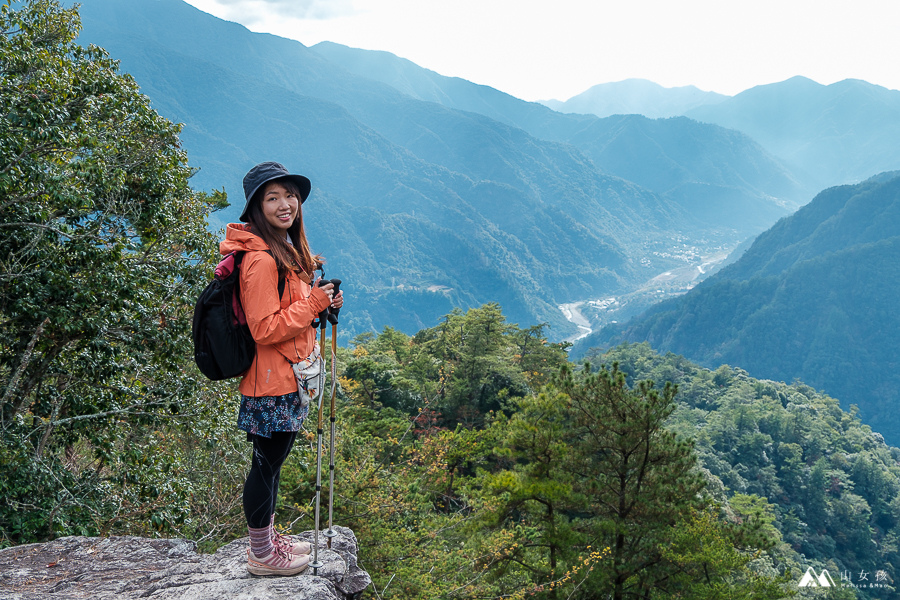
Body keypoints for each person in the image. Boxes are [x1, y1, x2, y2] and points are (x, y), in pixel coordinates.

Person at [220, 162, 343, 576]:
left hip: (287, 377)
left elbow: (290, 310)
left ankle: (267, 541)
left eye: (289, 194)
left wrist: (320, 302)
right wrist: (313, 304)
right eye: (272, 197)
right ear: (256, 207)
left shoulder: (284, 251)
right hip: (269, 382)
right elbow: (265, 327)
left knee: (272, 462)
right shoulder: (261, 261)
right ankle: (261, 555)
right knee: (265, 465)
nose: (285, 203)